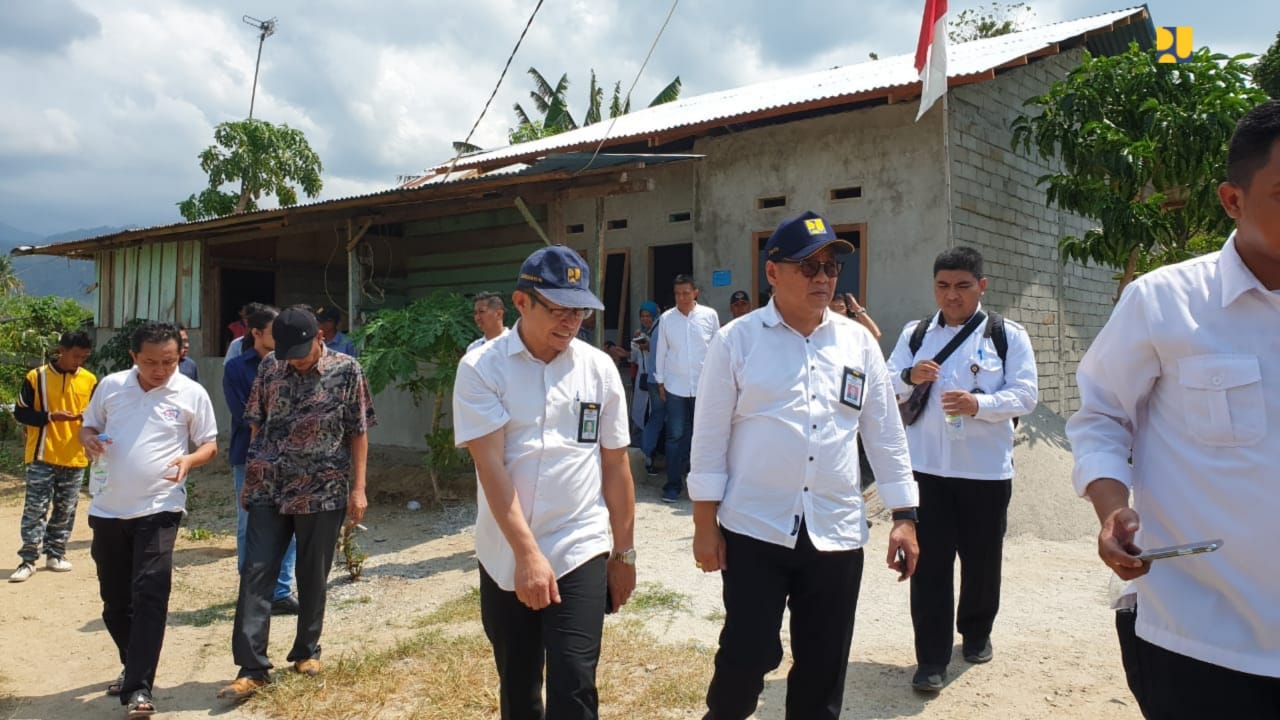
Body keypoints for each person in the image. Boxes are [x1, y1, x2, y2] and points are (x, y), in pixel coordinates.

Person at [1065, 100, 1280, 716]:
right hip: (1199, 640)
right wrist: (1111, 510)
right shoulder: (1165, 303)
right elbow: (1102, 415)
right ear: (1232, 201)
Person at [690, 211, 920, 720]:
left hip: (835, 531)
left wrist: (905, 515)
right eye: (808, 266)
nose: (823, 278)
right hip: (755, 529)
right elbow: (708, 439)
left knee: (822, 665)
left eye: (831, 267)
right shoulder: (737, 341)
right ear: (772, 272)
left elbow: (884, 433)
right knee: (748, 654)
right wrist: (705, 526)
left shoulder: (858, 343)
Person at [452, 245, 636, 720]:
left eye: (579, 311)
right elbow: (492, 469)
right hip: (506, 553)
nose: (570, 323)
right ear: (521, 303)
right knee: (519, 683)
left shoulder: (597, 369)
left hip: (579, 543)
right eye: (558, 310)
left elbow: (615, 467)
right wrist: (527, 555)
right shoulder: (482, 369)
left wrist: (624, 553)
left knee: (575, 682)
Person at [885, 246, 1038, 693]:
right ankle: (930, 658)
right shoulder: (916, 335)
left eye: (962, 286)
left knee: (982, 559)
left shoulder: (1006, 335)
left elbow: (1026, 395)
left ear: (981, 286)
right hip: (927, 470)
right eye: (943, 286)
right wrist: (911, 376)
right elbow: (886, 382)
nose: (951, 296)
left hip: (985, 472)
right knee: (928, 565)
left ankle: (976, 632)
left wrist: (980, 405)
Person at [218, 306, 376, 699]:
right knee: (256, 572)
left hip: (322, 488)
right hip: (269, 486)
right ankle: (252, 667)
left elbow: (358, 432)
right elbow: (256, 421)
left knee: (312, 573)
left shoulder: (347, 370)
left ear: (320, 338)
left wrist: (359, 489)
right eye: (289, 353)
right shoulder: (270, 366)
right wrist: (251, 475)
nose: (296, 361)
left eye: (303, 352)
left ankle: (306, 650)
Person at [77, 321, 218, 717]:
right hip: (108, 508)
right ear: (134, 357)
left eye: (170, 362)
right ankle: (131, 663)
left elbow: (208, 444)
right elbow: (88, 427)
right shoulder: (111, 386)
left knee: (151, 593)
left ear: (179, 357)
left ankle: (139, 687)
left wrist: (189, 460)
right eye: (151, 362)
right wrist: (88, 439)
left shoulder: (190, 393)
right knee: (115, 602)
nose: (160, 370)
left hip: (160, 506)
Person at [222, 304, 298, 615]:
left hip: (291, 456)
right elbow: (244, 415)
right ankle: (251, 588)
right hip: (249, 455)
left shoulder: (292, 363)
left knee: (290, 520)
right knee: (250, 522)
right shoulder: (237, 368)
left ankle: (280, 590)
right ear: (256, 333)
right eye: (273, 331)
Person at [10, 330, 97, 583]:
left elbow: (99, 416)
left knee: (66, 508)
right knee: (35, 508)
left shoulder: (90, 380)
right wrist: (50, 417)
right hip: (41, 454)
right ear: (61, 350)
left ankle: (56, 553)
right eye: (75, 356)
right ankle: (28, 559)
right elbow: (21, 413)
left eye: (84, 357)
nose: (78, 361)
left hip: (75, 454)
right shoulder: (36, 377)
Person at [653, 274, 720, 502]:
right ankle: (673, 484)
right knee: (675, 436)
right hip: (675, 387)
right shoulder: (666, 319)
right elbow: (661, 351)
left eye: (686, 293)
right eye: (677, 293)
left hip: (704, 387)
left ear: (695, 292)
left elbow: (717, 352)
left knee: (702, 436)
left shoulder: (709, 316)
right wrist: (660, 382)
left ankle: (701, 485)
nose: (681, 297)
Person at [630, 300, 664, 477]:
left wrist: (649, 346)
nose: (645, 319)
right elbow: (634, 358)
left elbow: (662, 352)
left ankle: (649, 457)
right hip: (642, 382)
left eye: (648, 316)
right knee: (640, 417)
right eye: (642, 316)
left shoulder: (659, 332)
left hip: (655, 381)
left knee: (653, 418)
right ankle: (642, 458)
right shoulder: (639, 333)